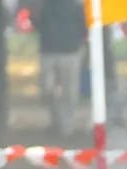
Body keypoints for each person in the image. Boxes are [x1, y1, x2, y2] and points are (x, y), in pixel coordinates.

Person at [32, 0, 85, 139]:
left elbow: (84, 24)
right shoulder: (45, 4)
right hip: (49, 50)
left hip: (70, 51)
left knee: (69, 92)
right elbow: (36, 21)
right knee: (47, 89)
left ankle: (66, 127)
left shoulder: (76, 4)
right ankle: (56, 121)